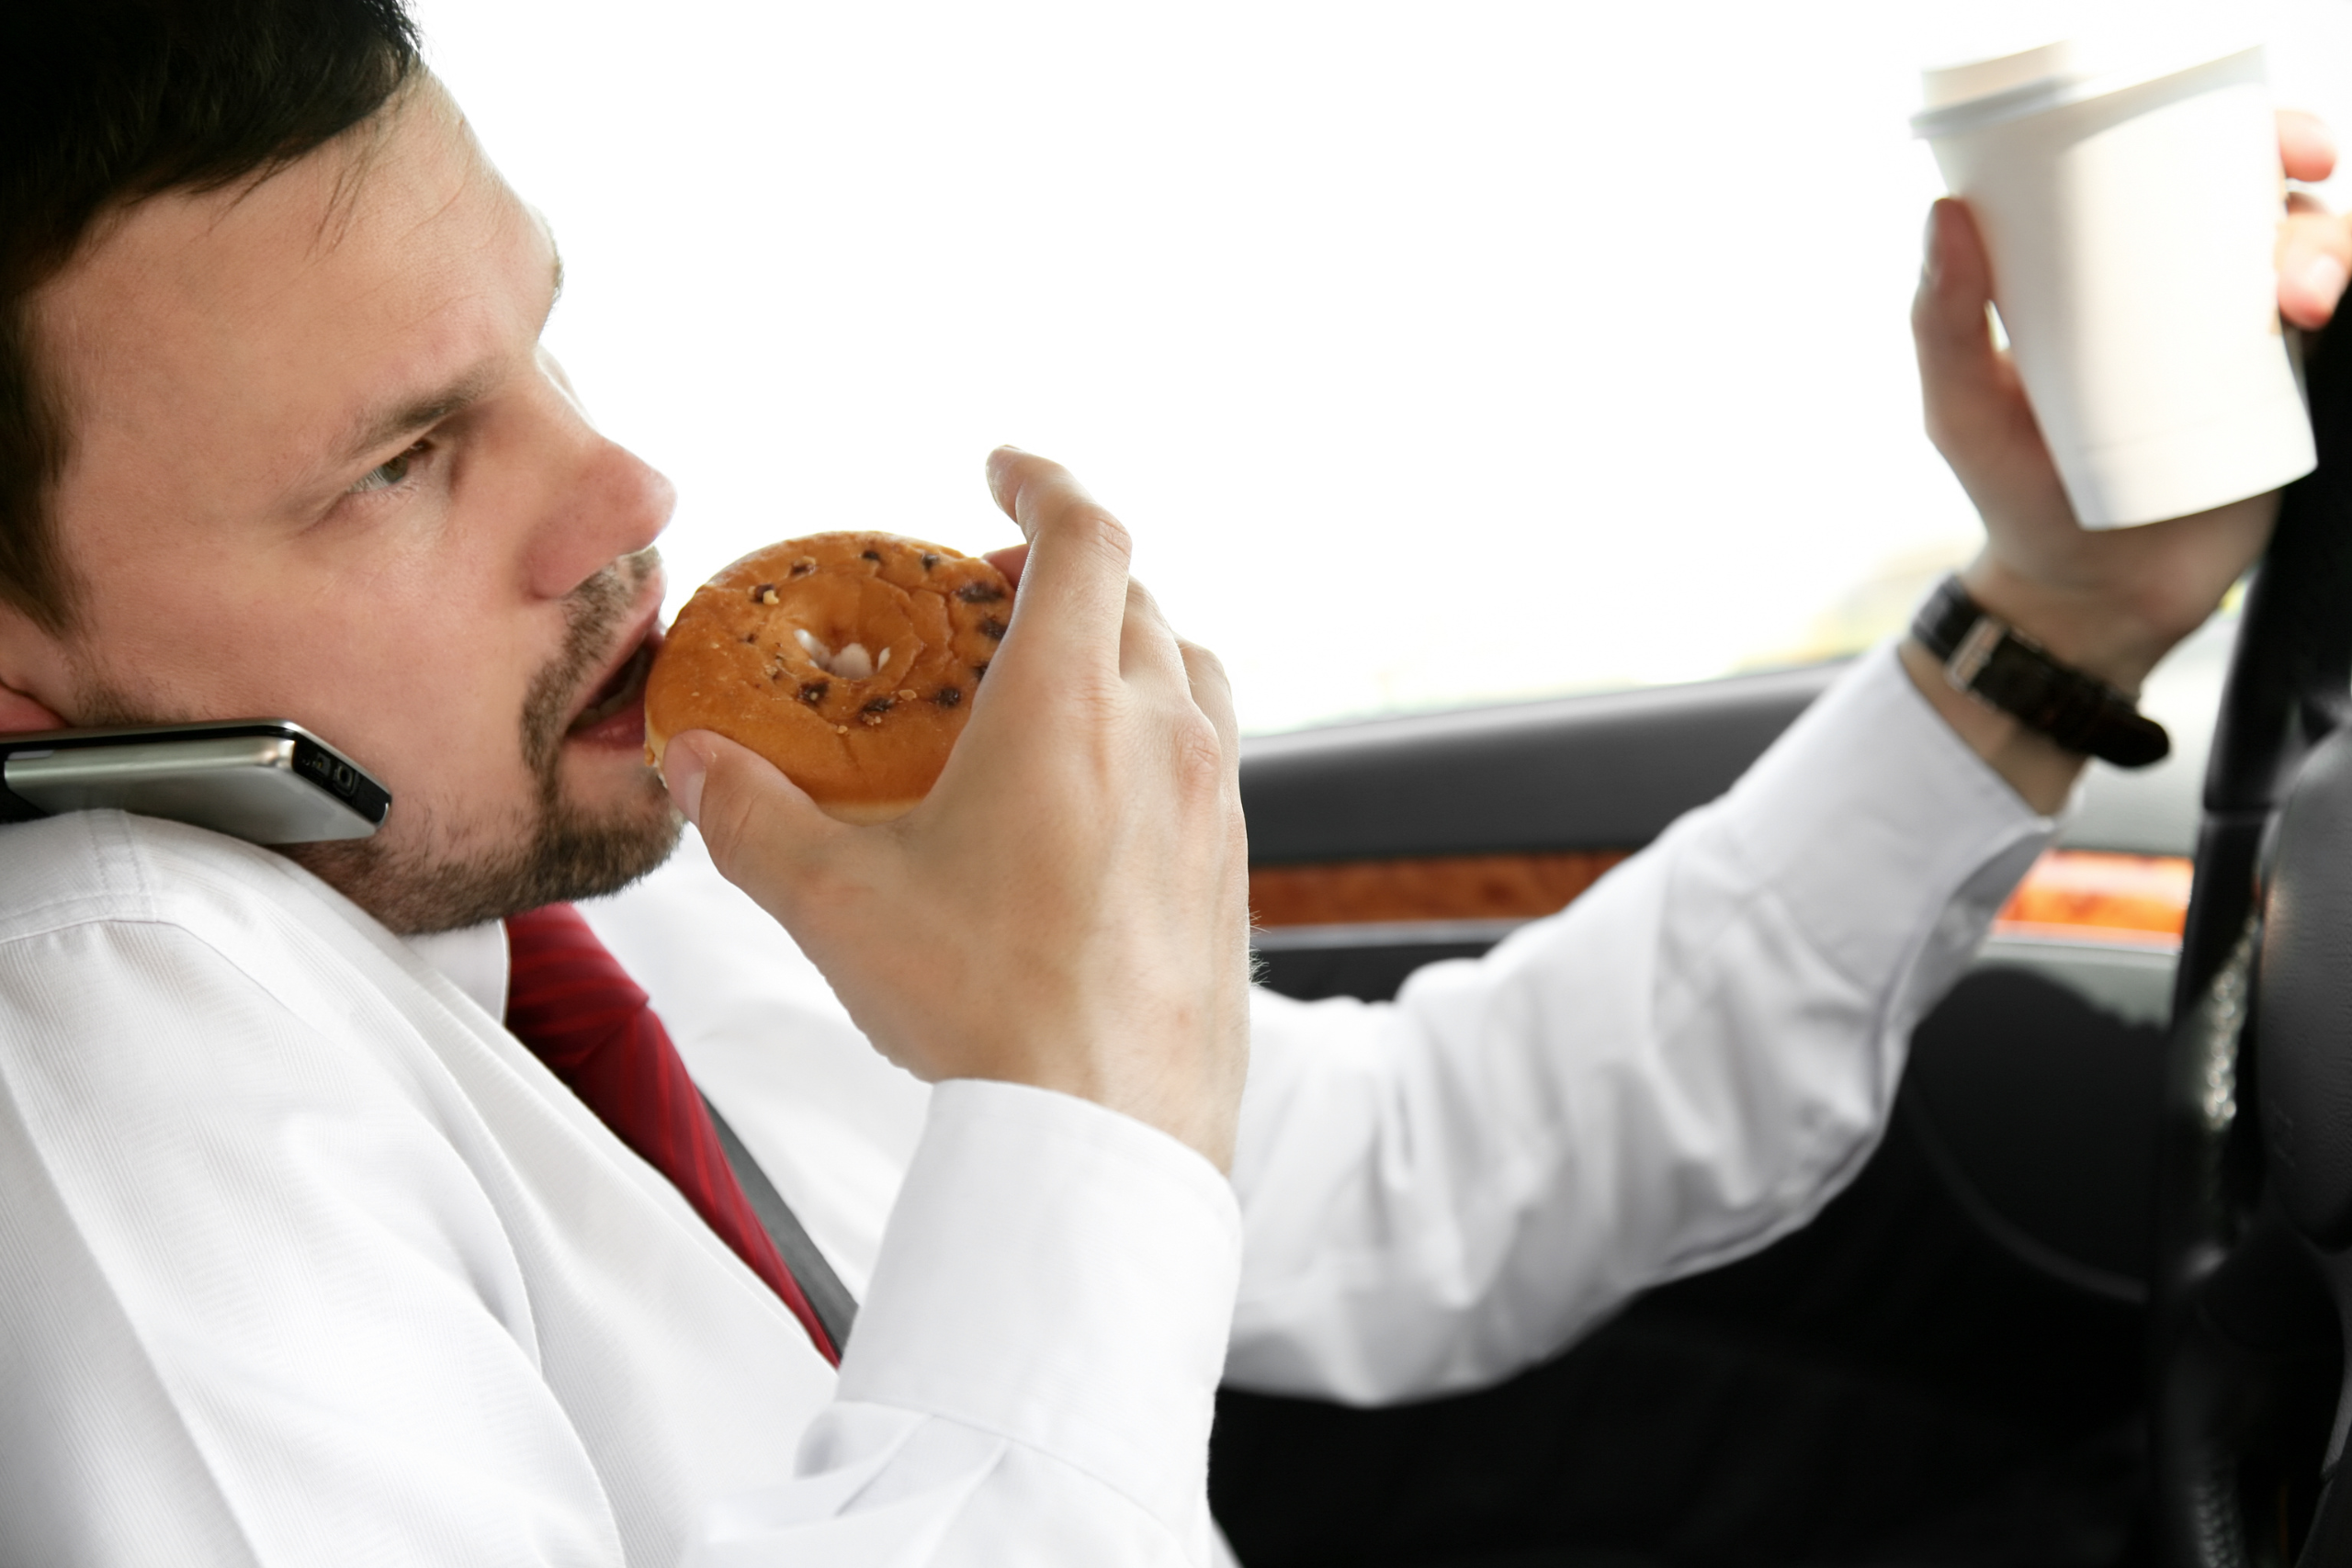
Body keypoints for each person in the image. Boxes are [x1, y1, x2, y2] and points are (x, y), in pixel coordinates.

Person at [0, 2, 2344, 1562]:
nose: (624, 491)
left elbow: (1415, 1175)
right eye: (402, 464)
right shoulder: (119, 1043)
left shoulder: (579, 854)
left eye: (542, 340)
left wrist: (2055, 619)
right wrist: (1072, 1097)